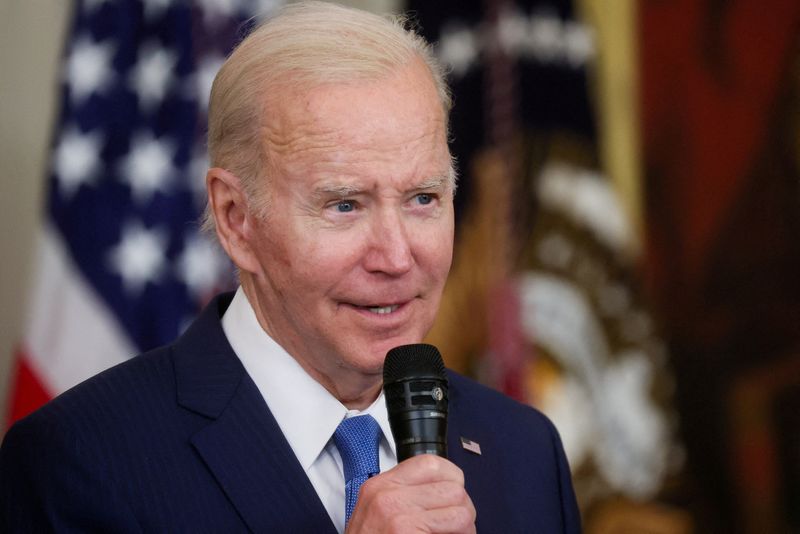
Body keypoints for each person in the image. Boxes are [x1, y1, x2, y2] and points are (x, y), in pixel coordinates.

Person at [0, 2, 580, 532]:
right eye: (344, 205)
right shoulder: (78, 464)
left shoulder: (526, 452)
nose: (399, 257)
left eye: (423, 199)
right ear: (236, 219)